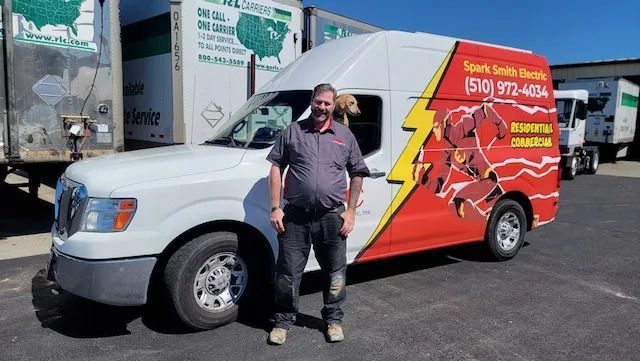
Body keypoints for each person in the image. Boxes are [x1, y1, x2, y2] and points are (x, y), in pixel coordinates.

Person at [265, 83, 370, 345]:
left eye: (327, 103)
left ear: (334, 105)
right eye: (318, 102)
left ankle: (333, 320)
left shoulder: (345, 136)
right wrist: (275, 207)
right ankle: (283, 322)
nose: (322, 107)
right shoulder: (293, 132)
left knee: (335, 273)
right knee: (287, 273)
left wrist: (351, 212)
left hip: (332, 217)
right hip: (295, 217)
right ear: (312, 101)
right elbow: (276, 166)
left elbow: (357, 173)